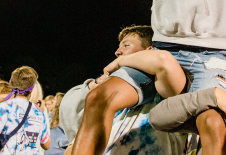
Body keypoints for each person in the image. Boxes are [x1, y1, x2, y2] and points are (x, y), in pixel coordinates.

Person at [71, 25, 186, 155]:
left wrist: (121, 61)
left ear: (150, 50)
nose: (117, 52)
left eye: (126, 45)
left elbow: (163, 60)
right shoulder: (115, 101)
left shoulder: (164, 89)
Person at [0, 66, 51, 154]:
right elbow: (47, 145)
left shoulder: (4, 108)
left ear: (10, 83)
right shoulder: (38, 111)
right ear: (31, 90)